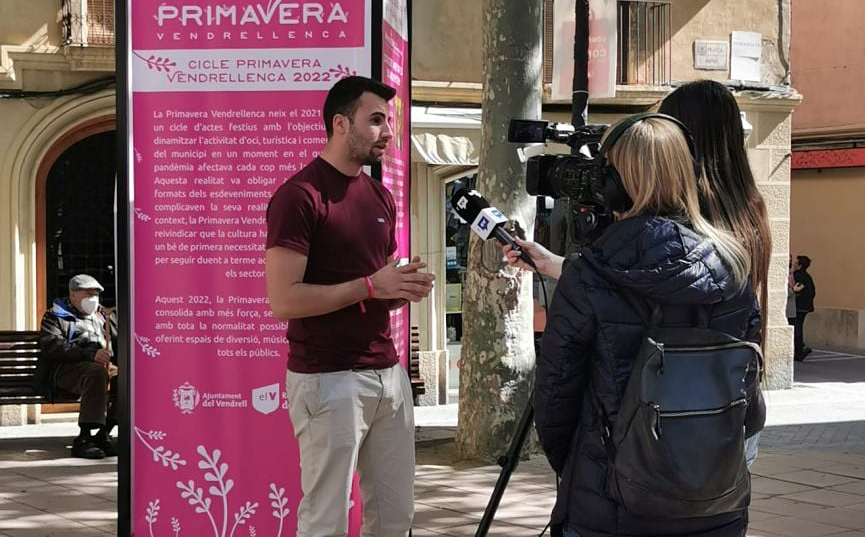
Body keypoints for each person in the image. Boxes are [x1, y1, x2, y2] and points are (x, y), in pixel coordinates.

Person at [535, 116, 764, 536]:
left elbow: (554, 396)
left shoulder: (589, 272)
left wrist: (583, 468)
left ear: (611, 185)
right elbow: (747, 391)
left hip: (612, 501)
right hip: (716, 497)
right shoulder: (734, 266)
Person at [265, 76, 434, 537]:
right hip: (326, 379)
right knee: (326, 521)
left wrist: (402, 288)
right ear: (340, 124)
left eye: (389, 121)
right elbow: (284, 300)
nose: (387, 131)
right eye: (375, 120)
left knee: (395, 518)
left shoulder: (381, 196)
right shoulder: (299, 196)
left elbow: (376, 288)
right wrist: (369, 286)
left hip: (388, 376)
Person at [37, 274, 118, 459]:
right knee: (95, 372)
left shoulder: (102, 316)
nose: (93, 298)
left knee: (129, 378)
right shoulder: (54, 316)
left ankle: (103, 433)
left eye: (96, 294)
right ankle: (84, 438)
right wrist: (90, 354)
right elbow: (52, 346)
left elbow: (119, 339)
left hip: (102, 368)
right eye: (88, 294)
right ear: (73, 295)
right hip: (65, 370)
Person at [792, 255, 816, 361]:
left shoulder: (798, 276)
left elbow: (796, 290)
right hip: (806, 306)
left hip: (799, 306)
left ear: (800, 265)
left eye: (796, 263)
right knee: (798, 326)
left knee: (797, 327)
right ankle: (800, 349)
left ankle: (800, 349)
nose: (794, 264)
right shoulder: (807, 276)